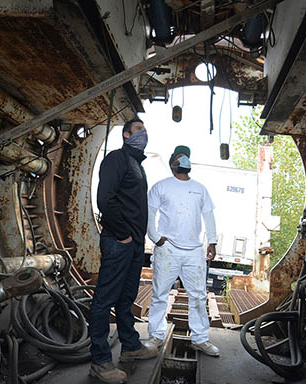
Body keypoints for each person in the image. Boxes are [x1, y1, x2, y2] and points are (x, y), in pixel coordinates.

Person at [90, 118, 157, 384]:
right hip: (119, 242)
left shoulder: (136, 165)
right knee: (104, 300)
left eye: (144, 130)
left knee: (127, 297)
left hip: (133, 245)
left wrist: (137, 240)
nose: (144, 133)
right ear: (127, 135)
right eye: (139, 130)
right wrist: (124, 234)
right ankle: (100, 361)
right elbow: (105, 199)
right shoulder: (116, 159)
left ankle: (130, 345)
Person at [147, 145, 220, 357]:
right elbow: (150, 212)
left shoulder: (200, 189)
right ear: (172, 164)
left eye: (186, 157)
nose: (184, 161)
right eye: (179, 158)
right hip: (167, 249)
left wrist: (212, 242)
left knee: (197, 296)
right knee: (160, 294)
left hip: (194, 251)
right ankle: (156, 335)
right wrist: (155, 237)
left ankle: (200, 339)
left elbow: (208, 215)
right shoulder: (161, 186)